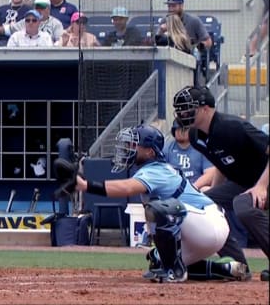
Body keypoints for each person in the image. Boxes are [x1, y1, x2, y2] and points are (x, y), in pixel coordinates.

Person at [72, 124, 248, 282]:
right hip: (202, 229)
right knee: (158, 259)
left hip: (207, 223)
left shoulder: (156, 170)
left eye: (135, 145)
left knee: (160, 209)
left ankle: (176, 272)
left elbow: (126, 188)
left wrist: (85, 185)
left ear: (150, 152)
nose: (129, 148)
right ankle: (222, 268)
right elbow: (155, 226)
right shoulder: (150, 171)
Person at [173, 86, 269, 282]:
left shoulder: (231, 126)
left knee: (242, 205)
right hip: (244, 183)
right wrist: (214, 195)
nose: (183, 114)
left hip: (263, 179)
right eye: (181, 109)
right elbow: (221, 164)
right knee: (205, 205)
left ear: (206, 109)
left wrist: (261, 186)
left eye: (188, 108)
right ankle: (239, 267)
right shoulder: (195, 136)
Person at [163, 120, 214, 191]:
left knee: (206, 189)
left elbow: (210, 173)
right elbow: (160, 173)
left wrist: (193, 187)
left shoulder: (201, 146)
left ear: (192, 130)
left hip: (196, 188)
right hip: (173, 189)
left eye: (184, 129)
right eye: (177, 129)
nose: (180, 131)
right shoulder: (166, 148)